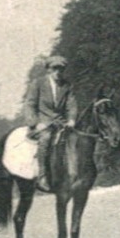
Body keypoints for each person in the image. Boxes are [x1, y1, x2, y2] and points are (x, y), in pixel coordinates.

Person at [25, 54, 77, 189]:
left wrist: (71, 120)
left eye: (61, 69)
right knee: (46, 139)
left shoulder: (67, 85)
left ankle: (74, 174)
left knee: (76, 139)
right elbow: (30, 104)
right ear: (48, 69)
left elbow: (71, 105)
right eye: (55, 69)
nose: (58, 72)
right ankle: (42, 177)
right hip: (44, 123)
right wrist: (35, 123)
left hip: (61, 122)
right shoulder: (38, 83)